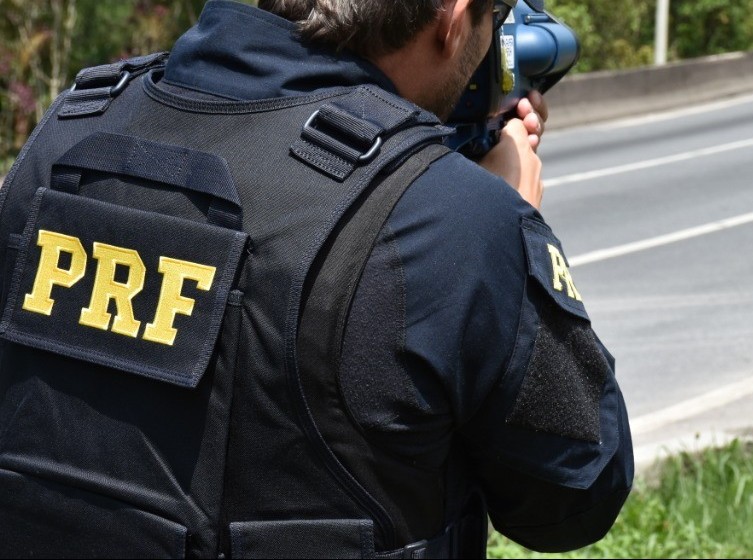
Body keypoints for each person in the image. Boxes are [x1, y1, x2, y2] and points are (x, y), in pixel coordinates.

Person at [0, 0, 632, 557]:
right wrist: (505, 217)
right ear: (451, 15)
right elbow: (574, 495)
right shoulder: (454, 222)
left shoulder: (68, 130)